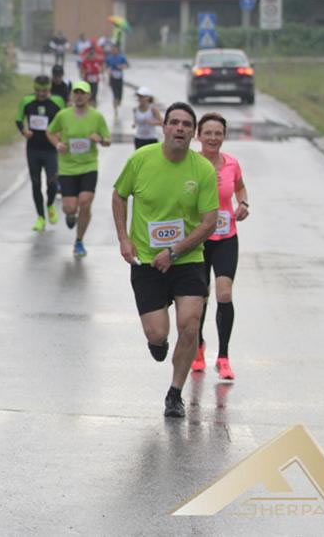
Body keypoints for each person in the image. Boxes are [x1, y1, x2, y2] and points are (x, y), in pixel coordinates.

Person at [111, 102, 218, 418]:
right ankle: (158, 344)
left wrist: (174, 252)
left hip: (187, 259)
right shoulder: (141, 160)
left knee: (190, 324)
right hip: (146, 262)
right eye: (175, 122)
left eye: (186, 124)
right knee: (158, 334)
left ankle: (175, 393)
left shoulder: (202, 170)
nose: (180, 128)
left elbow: (209, 222)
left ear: (193, 133)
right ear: (164, 127)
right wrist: (124, 238)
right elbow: (119, 195)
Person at [192, 113, 249, 380]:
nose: (213, 138)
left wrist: (243, 204)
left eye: (218, 133)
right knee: (200, 296)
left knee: (224, 294)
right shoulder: (190, 164)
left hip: (226, 237)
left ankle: (223, 357)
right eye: (208, 133)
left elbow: (240, 188)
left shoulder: (232, 164)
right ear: (198, 136)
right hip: (198, 239)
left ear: (223, 136)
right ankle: (198, 347)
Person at [46, 81, 111, 257]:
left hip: (89, 166)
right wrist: (57, 144)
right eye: (76, 92)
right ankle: (70, 214)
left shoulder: (97, 117)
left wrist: (100, 139)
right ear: (72, 95)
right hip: (67, 167)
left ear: (89, 96)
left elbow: (108, 140)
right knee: (69, 207)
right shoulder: (63, 115)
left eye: (83, 93)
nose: (79, 96)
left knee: (85, 202)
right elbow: (50, 132)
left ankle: (79, 241)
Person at [18, 75, 66, 231]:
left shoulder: (57, 102)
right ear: (34, 89)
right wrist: (24, 131)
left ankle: (50, 204)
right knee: (36, 183)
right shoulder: (27, 101)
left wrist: (61, 136)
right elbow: (18, 119)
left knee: (52, 182)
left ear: (49, 90)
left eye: (44, 91)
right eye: (38, 91)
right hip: (33, 148)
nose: (41, 94)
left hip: (50, 149)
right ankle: (40, 217)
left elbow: (65, 120)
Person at [105, 44, 129, 119]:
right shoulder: (109, 58)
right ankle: (116, 112)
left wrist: (121, 66)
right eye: (112, 50)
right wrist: (108, 76)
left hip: (120, 79)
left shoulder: (122, 57)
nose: (114, 51)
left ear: (118, 50)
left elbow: (127, 65)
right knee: (115, 96)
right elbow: (106, 67)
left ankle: (118, 102)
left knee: (119, 97)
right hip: (112, 79)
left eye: (115, 50)